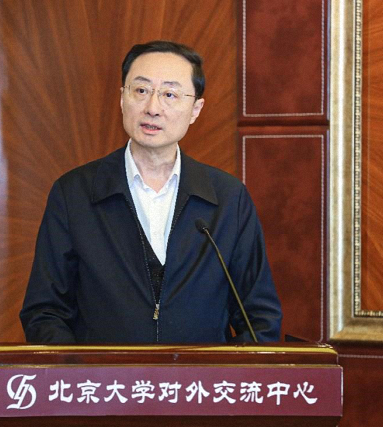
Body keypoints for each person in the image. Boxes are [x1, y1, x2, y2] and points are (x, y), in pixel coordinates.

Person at [20, 40, 282, 343]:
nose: (153, 108)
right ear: (122, 98)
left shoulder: (227, 198)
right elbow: (45, 312)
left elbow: (259, 319)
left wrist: (221, 371)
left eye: (170, 94)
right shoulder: (75, 193)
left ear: (195, 109)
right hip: (104, 375)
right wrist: (82, 368)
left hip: (200, 375)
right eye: (141, 90)